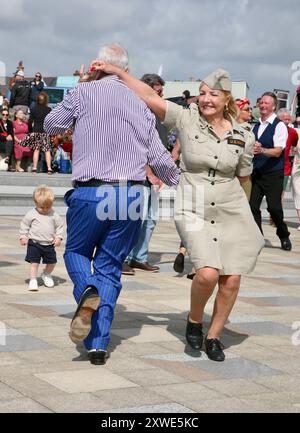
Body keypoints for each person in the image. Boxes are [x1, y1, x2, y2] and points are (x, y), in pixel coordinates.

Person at [92, 61, 264, 362]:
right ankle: (195, 320)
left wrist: (246, 216)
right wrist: (119, 73)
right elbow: (149, 96)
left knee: (232, 278)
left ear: (227, 100)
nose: (206, 99)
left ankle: (214, 335)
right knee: (207, 273)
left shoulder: (243, 135)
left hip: (231, 205)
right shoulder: (186, 118)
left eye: (213, 94)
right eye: (202, 93)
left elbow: (244, 178)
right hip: (193, 201)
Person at [43, 43, 179, 366]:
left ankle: (87, 291)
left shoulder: (84, 93)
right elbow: (158, 155)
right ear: (125, 71)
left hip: (92, 192)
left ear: (97, 66)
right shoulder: (140, 102)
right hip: (131, 194)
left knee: (76, 252)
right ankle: (98, 344)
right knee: (110, 267)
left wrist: (82, 84)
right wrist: (177, 181)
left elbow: (51, 126)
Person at [123, 73, 167, 275]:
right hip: (137, 175)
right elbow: (136, 146)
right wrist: (149, 173)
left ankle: (139, 258)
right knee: (133, 219)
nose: (161, 95)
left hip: (155, 176)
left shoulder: (157, 112)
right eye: (157, 91)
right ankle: (121, 257)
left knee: (150, 219)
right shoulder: (135, 110)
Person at [249, 92, 291, 250]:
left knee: (274, 208)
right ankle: (258, 237)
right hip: (256, 172)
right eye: (261, 103)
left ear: (273, 106)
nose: (263, 105)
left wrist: (261, 151)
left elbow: (278, 152)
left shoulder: (279, 125)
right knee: (252, 207)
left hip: (273, 173)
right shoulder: (256, 126)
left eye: (267, 103)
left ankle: (283, 233)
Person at [19, 185, 63, 291]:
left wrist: (58, 237)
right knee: (34, 263)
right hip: (35, 243)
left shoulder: (54, 215)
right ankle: (33, 280)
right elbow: (24, 225)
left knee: (52, 262)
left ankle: (46, 274)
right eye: (42, 207)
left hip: (49, 244)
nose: (45, 210)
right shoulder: (31, 214)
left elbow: (60, 226)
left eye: (48, 207)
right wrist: (23, 236)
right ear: (36, 203)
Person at [22, 92, 53, 173]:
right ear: (46, 100)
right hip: (45, 132)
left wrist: (30, 131)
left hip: (36, 131)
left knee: (36, 150)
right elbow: (51, 122)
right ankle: (49, 168)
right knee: (47, 150)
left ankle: (35, 167)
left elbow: (29, 122)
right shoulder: (49, 109)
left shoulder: (34, 109)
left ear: (37, 100)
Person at [235, 98, 254, 201]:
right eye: (247, 109)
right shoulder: (241, 129)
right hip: (240, 174)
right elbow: (244, 155)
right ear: (238, 111)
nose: (250, 111)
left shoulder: (248, 128)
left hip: (242, 173)